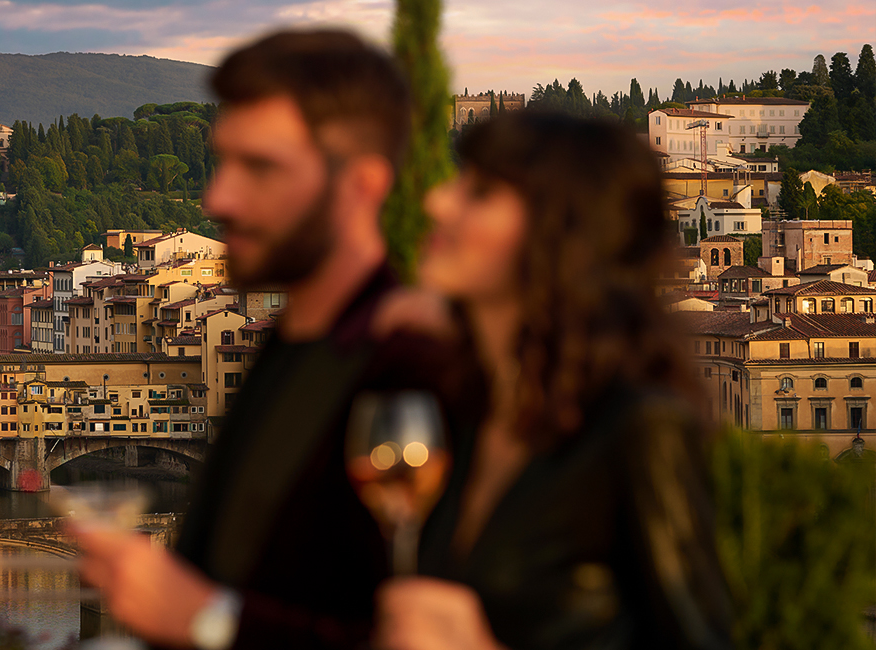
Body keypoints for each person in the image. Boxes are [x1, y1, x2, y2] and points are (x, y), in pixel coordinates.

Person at [72, 29, 463, 649]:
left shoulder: (411, 367)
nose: (218, 197)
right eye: (224, 162)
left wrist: (205, 618)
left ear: (362, 185)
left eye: (261, 168)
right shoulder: (287, 348)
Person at [373, 112, 732, 650]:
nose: (437, 202)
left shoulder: (638, 427)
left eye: (481, 192)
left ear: (560, 230)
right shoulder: (467, 412)